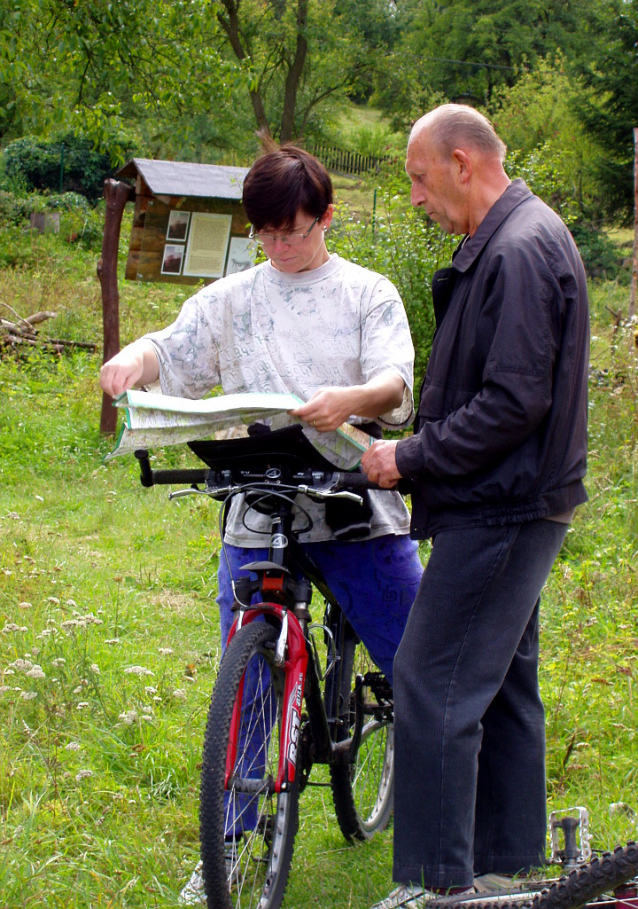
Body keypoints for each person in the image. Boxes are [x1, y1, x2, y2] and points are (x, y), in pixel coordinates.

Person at [99, 144, 424, 904]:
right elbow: (174, 350)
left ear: (327, 218)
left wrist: (352, 400)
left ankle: (447, 827)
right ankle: (238, 836)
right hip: (261, 499)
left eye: (296, 232)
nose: (281, 247)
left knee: (422, 661)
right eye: (267, 234)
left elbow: (396, 384)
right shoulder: (232, 296)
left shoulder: (366, 292)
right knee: (244, 679)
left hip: (351, 506)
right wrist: (133, 359)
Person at [361, 104, 589, 909]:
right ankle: (506, 860)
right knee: (503, 679)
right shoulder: (510, 239)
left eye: (421, 178)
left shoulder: (521, 249)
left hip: (504, 504)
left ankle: (435, 884)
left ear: (463, 162)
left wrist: (410, 454)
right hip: (515, 499)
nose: (416, 197)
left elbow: (513, 401)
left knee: (432, 677)